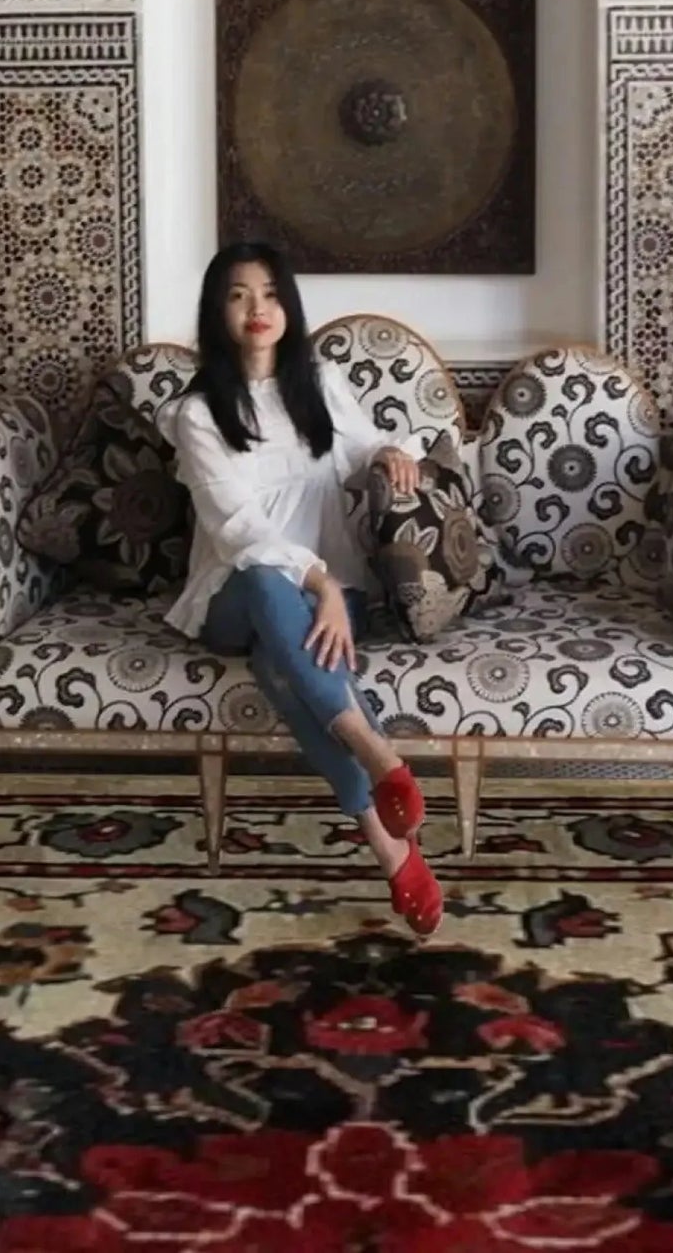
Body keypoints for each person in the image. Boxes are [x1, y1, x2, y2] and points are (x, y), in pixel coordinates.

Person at [162, 241, 442, 936]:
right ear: (217, 310)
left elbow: (362, 446)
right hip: (232, 594)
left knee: (280, 668)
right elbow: (239, 529)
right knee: (264, 580)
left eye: (270, 293)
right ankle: (379, 756)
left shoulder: (316, 380)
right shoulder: (197, 414)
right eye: (237, 294)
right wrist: (317, 582)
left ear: (287, 304)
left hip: (323, 597)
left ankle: (390, 848)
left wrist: (389, 451)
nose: (257, 309)